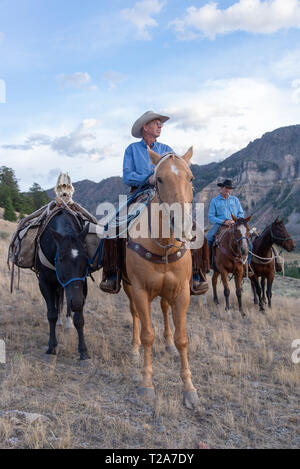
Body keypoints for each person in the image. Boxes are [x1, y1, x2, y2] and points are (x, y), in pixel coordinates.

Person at [100, 110, 209, 294]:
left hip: (165, 196)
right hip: (140, 194)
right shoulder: (132, 150)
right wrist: (148, 178)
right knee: (113, 227)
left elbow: (177, 171)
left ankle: (197, 275)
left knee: (195, 229)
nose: (160, 126)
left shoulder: (167, 150)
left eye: (161, 124)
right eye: (156, 123)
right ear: (146, 127)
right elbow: (127, 176)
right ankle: (113, 274)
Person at [207, 179, 252, 271]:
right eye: (226, 188)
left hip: (235, 224)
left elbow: (240, 213)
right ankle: (208, 263)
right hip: (220, 224)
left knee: (249, 243)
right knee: (208, 238)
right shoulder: (214, 201)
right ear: (222, 188)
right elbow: (211, 216)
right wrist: (223, 221)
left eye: (229, 188)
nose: (228, 190)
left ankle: (248, 266)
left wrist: (236, 220)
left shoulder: (235, 200)